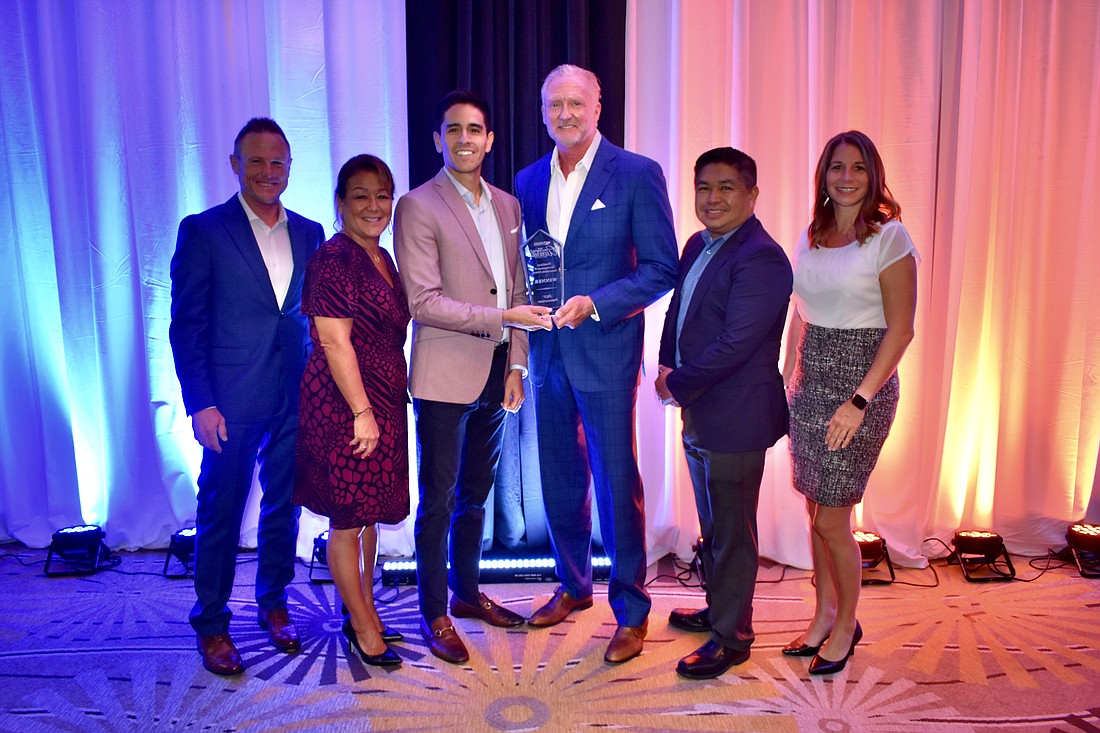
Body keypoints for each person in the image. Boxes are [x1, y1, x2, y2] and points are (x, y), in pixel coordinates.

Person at [513, 64, 678, 664]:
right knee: (558, 478)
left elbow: (661, 268)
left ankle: (631, 611)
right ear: (543, 111)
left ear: (598, 105)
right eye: (554, 104)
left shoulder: (636, 173)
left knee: (614, 484)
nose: (565, 114)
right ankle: (574, 585)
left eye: (576, 103)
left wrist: (599, 304)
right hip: (546, 355)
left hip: (605, 351)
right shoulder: (526, 181)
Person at [394, 90, 552, 664]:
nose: (465, 138)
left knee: (475, 496)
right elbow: (424, 302)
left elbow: (516, 290)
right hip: (442, 375)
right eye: (453, 129)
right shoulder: (416, 205)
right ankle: (433, 611)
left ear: (489, 139)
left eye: (475, 129)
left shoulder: (509, 206)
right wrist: (505, 320)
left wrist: (516, 362)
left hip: (495, 371)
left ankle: (464, 594)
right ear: (438, 139)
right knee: (436, 500)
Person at [170, 117, 324, 675]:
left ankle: (273, 603)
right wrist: (199, 402)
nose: (266, 171)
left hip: (295, 395)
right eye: (254, 161)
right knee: (221, 511)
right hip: (229, 402)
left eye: (276, 162)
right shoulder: (205, 230)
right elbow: (186, 324)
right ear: (234, 165)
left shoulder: (310, 233)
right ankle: (210, 623)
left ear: (289, 167)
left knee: (283, 507)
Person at [781, 130, 918, 675]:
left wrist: (858, 401)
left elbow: (902, 332)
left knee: (834, 520)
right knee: (816, 511)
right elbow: (800, 309)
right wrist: (786, 372)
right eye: (837, 167)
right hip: (810, 387)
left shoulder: (889, 238)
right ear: (824, 175)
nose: (846, 177)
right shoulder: (811, 235)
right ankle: (822, 614)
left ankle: (845, 627)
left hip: (863, 386)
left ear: (873, 175)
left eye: (858, 168)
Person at [656, 147, 792, 679]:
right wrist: (667, 363)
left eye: (726, 188)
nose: (713, 199)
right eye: (704, 188)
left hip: (736, 416)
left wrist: (678, 385)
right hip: (700, 411)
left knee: (733, 530)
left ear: (752, 195)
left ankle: (732, 638)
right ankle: (719, 610)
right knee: (713, 525)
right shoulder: (697, 244)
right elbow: (679, 310)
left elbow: (737, 342)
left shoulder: (762, 256)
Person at [293, 154, 410, 668]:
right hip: (348, 404)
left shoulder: (382, 257)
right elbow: (335, 342)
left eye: (382, 195)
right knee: (348, 521)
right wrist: (363, 412)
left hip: (380, 399)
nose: (373, 205)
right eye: (360, 195)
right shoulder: (334, 258)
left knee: (368, 519)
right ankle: (363, 627)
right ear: (340, 203)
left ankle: (363, 611)